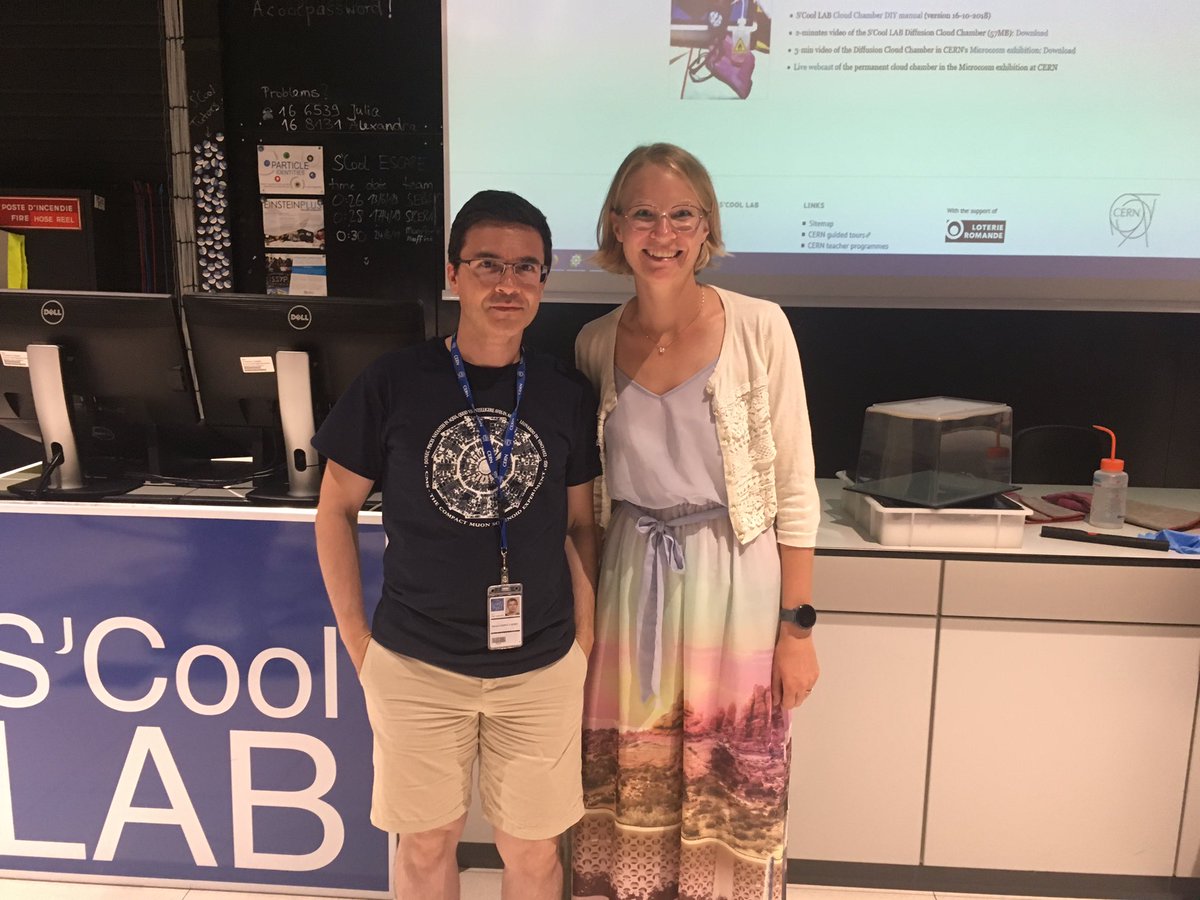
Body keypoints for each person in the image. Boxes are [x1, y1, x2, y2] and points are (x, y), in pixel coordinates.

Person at [314, 189, 601, 900]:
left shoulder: (565, 391)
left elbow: (582, 525)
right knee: (426, 845)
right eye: (488, 264)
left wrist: (583, 638)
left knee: (533, 853)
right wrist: (359, 641)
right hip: (415, 663)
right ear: (453, 274)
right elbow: (335, 510)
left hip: (539, 667)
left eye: (527, 267)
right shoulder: (394, 382)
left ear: (544, 280)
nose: (508, 283)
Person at [570, 144, 821, 900]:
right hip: (629, 584)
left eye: (683, 214)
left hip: (735, 581)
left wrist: (798, 631)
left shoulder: (760, 328)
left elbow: (795, 491)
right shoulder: (593, 343)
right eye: (643, 213)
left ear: (707, 228)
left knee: (731, 776)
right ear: (615, 227)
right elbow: (586, 503)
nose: (663, 232)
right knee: (631, 773)